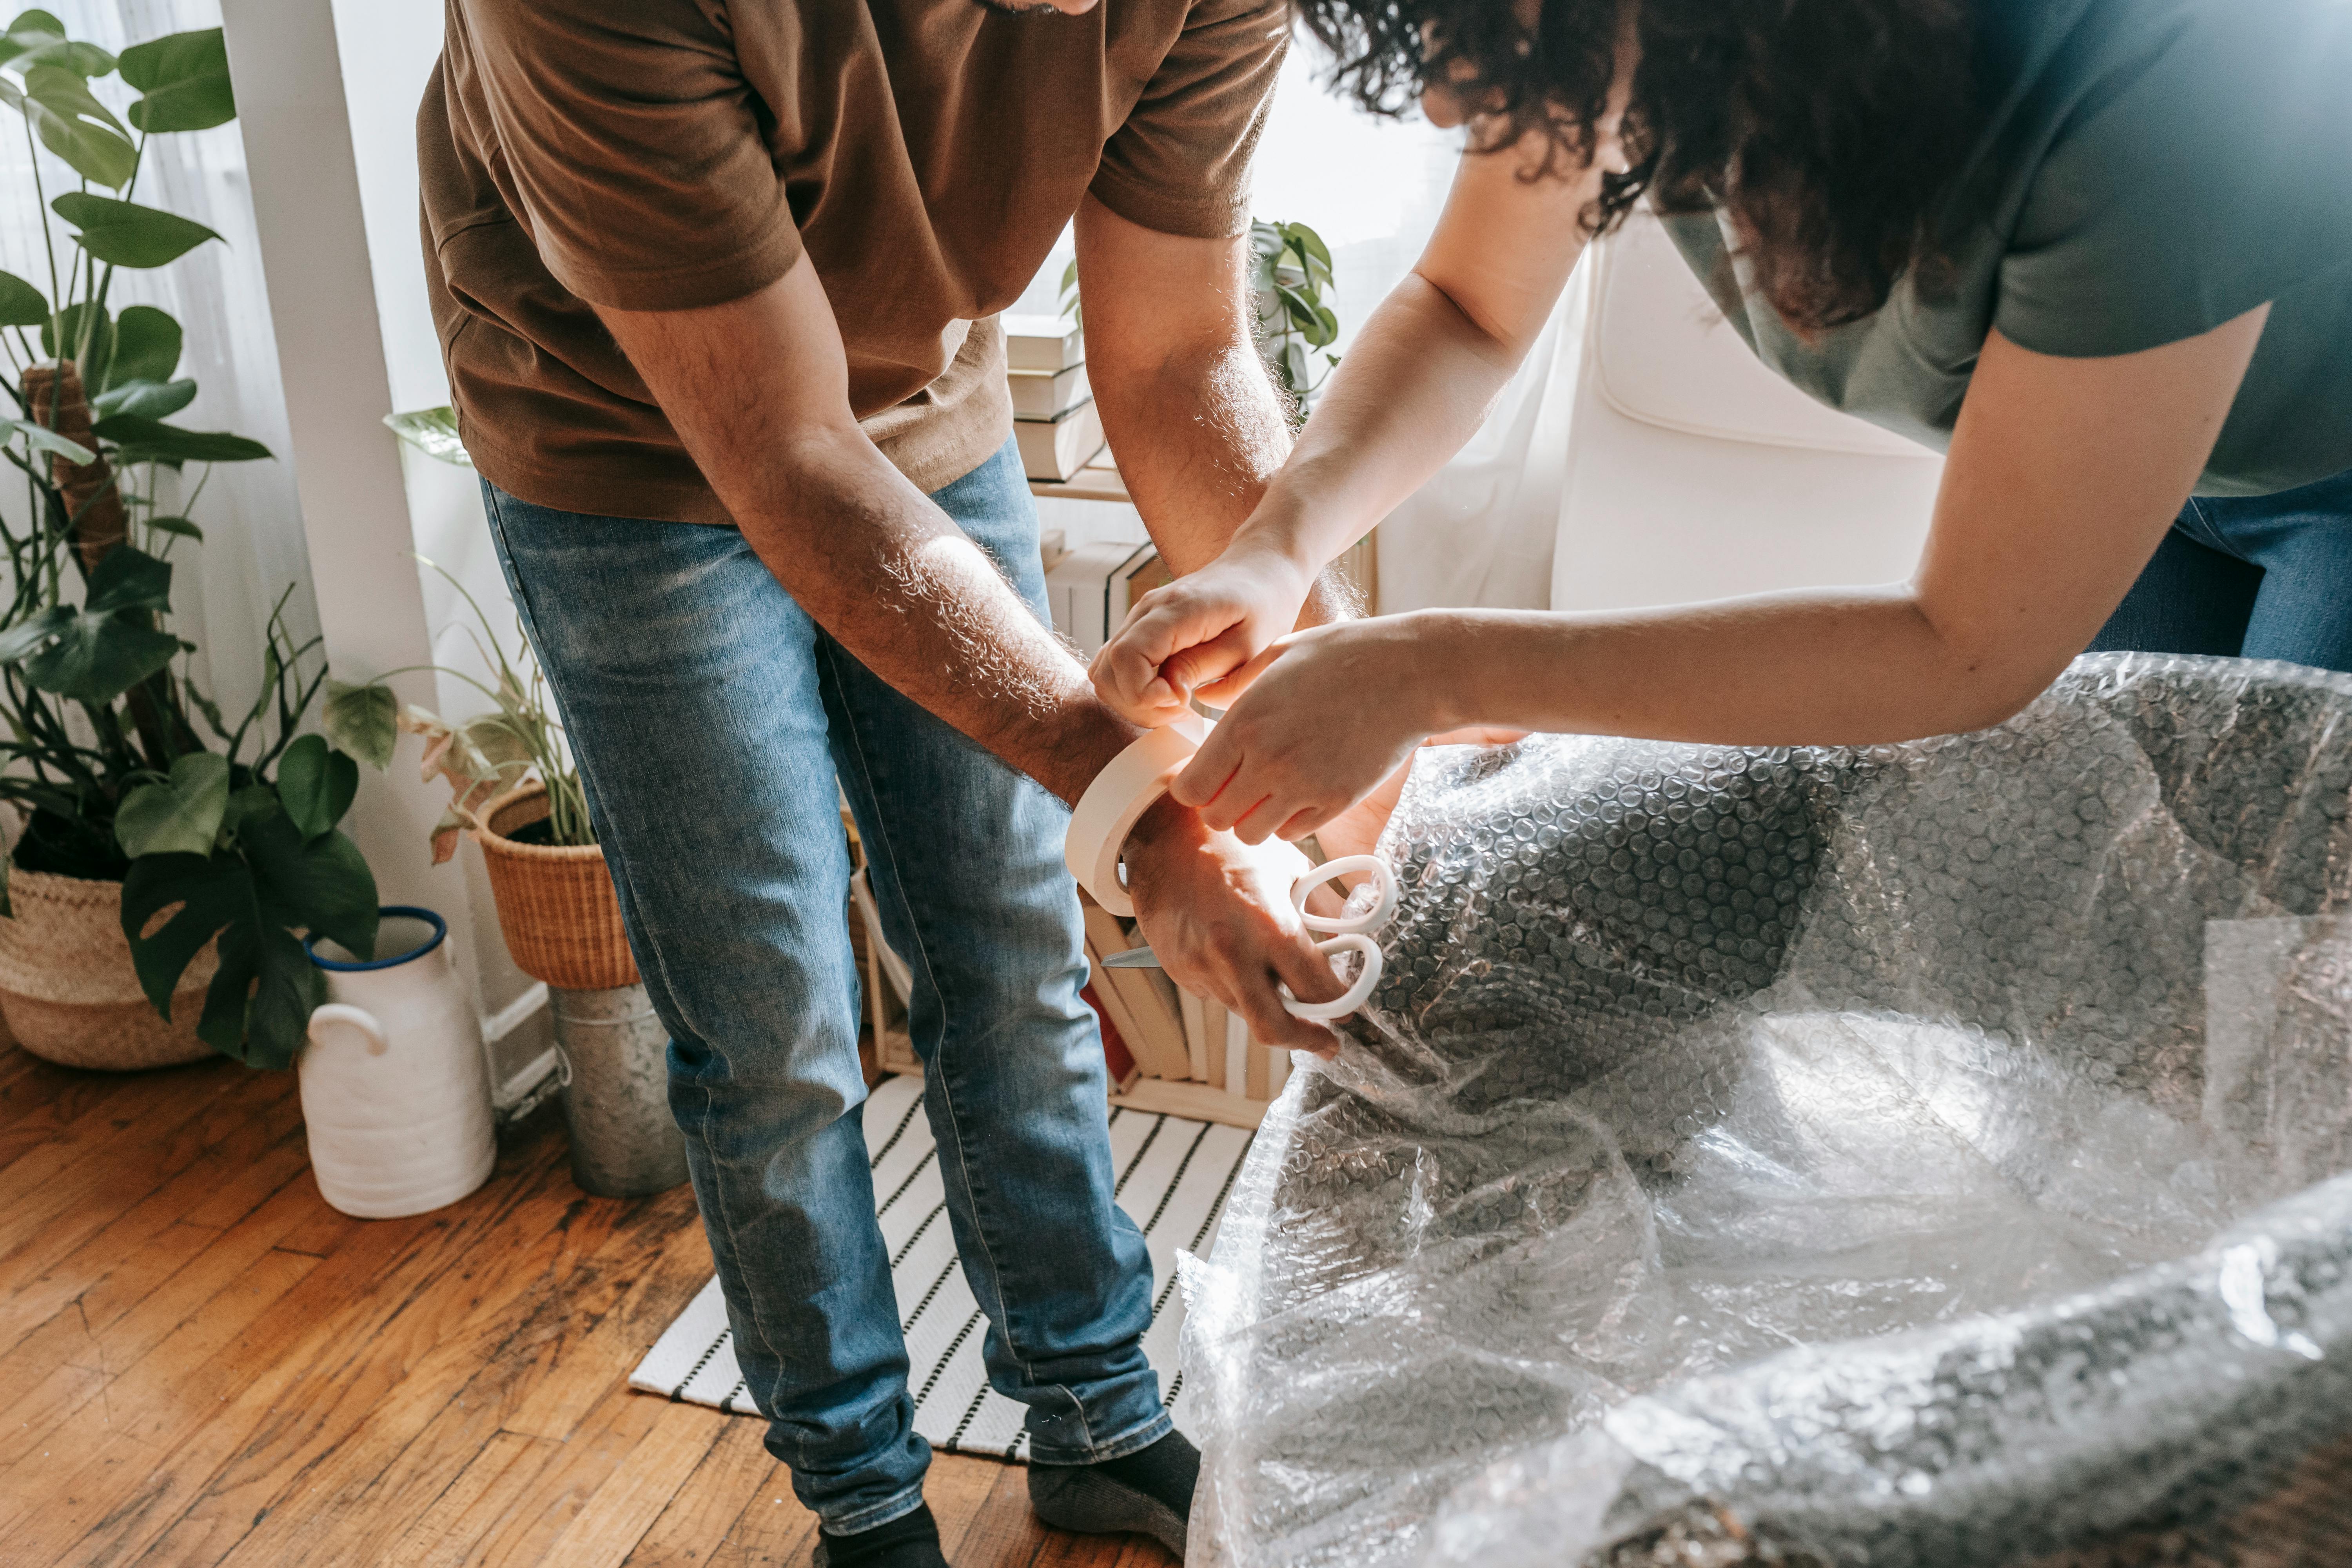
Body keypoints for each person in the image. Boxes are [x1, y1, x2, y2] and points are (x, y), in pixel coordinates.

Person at [416, 2, 1358, 1563]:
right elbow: (785, 451)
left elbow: (1182, 349)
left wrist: (1343, 700)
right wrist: (1144, 810)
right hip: (620, 445)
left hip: (920, 406)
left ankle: (1098, 1409)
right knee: (770, 1012)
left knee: (1010, 942)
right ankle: (863, 1501)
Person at [1088, 0, 2352, 857]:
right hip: (2151, 488)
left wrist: (1432, 669)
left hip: (2334, 470)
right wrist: (1277, 546)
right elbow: (1469, 306)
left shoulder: (2178, 69)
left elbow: (1966, 649)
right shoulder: (1626, 40)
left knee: (2279, 966)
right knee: (2108, 914)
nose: (1436, 101)